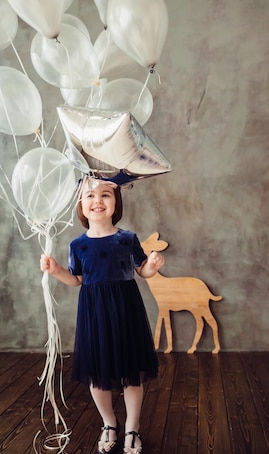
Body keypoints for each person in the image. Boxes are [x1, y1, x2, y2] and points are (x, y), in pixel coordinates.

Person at [40, 177, 165, 454]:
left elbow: (141, 271)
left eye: (105, 195)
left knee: (132, 372)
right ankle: (109, 422)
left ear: (115, 203)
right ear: (81, 206)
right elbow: (77, 280)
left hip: (126, 309)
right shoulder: (78, 245)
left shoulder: (127, 239)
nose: (97, 201)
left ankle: (133, 425)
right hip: (94, 312)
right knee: (98, 372)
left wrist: (152, 267)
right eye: (90, 196)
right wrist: (56, 269)